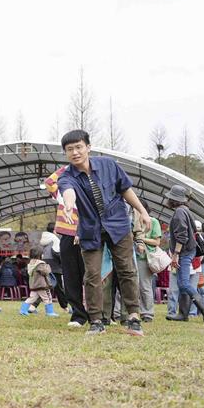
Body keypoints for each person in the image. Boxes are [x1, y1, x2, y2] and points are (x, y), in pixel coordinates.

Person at [58, 129, 152, 336]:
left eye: (78, 147)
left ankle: (134, 317)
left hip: (118, 225)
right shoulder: (66, 176)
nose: (75, 152)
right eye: (69, 149)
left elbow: (125, 189)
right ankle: (96, 321)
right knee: (92, 275)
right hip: (90, 231)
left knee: (127, 270)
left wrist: (142, 212)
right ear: (65, 153)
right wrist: (68, 205)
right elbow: (68, 192)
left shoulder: (109, 165)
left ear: (88, 147)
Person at [44, 166, 90, 328]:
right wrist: (68, 168)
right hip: (67, 236)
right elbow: (49, 182)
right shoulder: (62, 193)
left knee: (92, 276)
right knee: (71, 277)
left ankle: (100, 314)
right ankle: (78, 315)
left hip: (87, 235)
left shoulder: (88, 191)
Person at [164, 185, 204, 323]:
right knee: (181, 283)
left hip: (184, 252)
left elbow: (182, 236)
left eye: (169, 197)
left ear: (173, 200)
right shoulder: (185, 210)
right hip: (188, 251)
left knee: (185, 283)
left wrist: (175, 254)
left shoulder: (179, 212)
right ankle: (183, 314)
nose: (167, 199)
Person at [132, 200, 161, 322]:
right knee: (130, 285)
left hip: (145, 258)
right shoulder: (133, 221)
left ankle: (147, 313)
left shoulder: (153, 222)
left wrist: (142, 239)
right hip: (132, 255)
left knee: (145, 286)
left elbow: (157, 242)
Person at [19, 245, 59, 317]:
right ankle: (50, 312)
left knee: (32, 298)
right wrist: (48, 266)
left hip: (34, 286)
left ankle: (23, 310)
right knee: (47, 298)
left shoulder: (31, 263)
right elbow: (46, 272)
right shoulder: (40, 264)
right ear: (40, 254)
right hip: (42, 285)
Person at [39, 221, 68, 310]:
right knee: (58, 287)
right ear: (55, 230)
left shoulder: (44, 239)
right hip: (55, 265)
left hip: (45, 264)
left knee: (44, 286)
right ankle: (65, 306)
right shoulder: (55, 239)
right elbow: (56, 253)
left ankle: (32, 305)